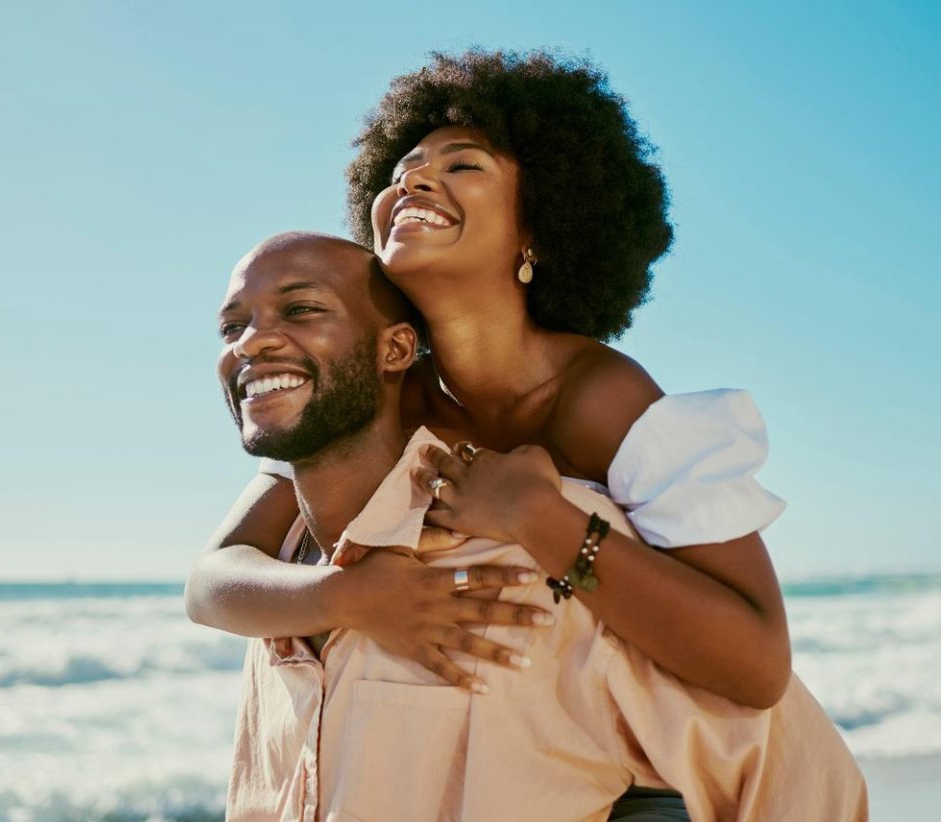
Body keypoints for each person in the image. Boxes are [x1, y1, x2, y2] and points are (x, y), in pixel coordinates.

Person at [187, 49, 802, 818]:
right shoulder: (385, 391)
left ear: (538, 229)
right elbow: (211, 581)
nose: (412, 180)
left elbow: (757, 665)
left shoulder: (597, 398)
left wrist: (536, 517)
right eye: (403, 167)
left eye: (463, 164)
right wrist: (349, 597)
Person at [216, 232, 866, 821]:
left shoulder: (536, 551)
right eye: (232, 326)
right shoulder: (274, 582)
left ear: (396, 348)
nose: (249, 343)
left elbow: (791, 772)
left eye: (300, 310)